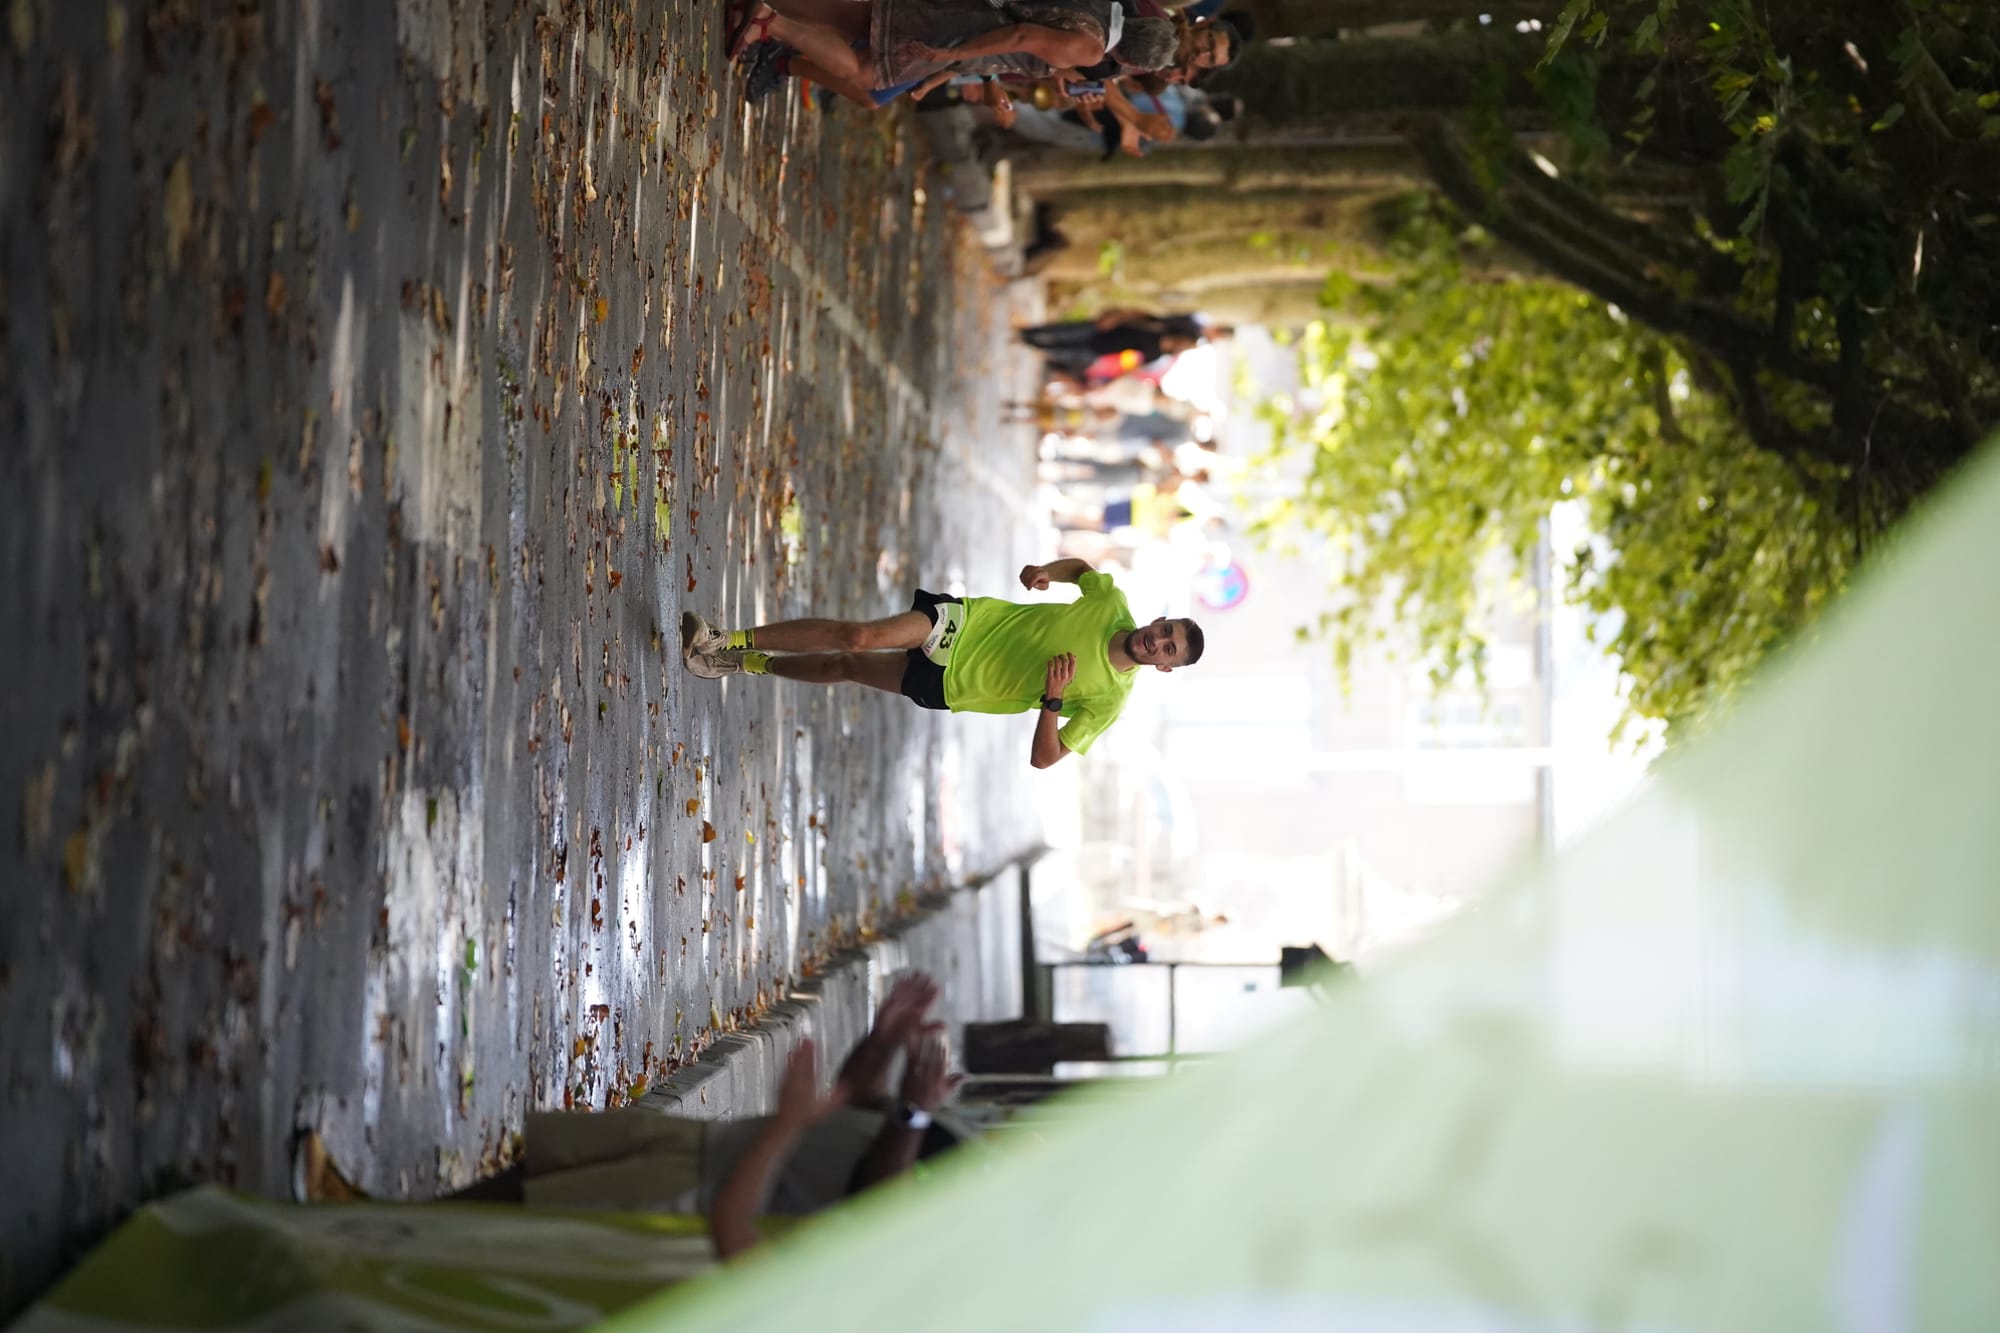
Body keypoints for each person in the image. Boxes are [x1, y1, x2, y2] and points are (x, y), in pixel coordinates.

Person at [297, 974, 968, 1260]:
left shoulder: (979, 1224)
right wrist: (882, 1041)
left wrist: (912, 1113)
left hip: (699, 1198)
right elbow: (860, 1102)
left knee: (526, 1223)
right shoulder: (989, 1148)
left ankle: (353, 1240)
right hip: (710, 1145)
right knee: (534, 1179)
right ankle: (369, 1212)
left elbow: (885, 1200)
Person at [680, 559, 1205, 769]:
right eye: (1166, 631)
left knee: (843, 666)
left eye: (1168, 650)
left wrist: (1053, 698)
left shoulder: (1111, 702)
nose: (1158, 642)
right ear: (1158, 620)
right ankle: (725, 636)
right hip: (966, 623)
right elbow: (1084, 570)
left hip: (955, 686)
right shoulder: (1111, 602)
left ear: (1165, 668)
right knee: (860, 637)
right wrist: (1047, 571)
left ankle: (746, 663)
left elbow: (1045, 758)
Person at [727, 0, 1179, 111]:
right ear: (1136, 61)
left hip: (965, 9)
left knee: (855, 17)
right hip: (959, 31)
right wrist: (951, 54)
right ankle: (771, 24)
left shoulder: (1105, 7)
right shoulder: (1092, 45)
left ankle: (769, 7)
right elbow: (1019, 36)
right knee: (866, 73)